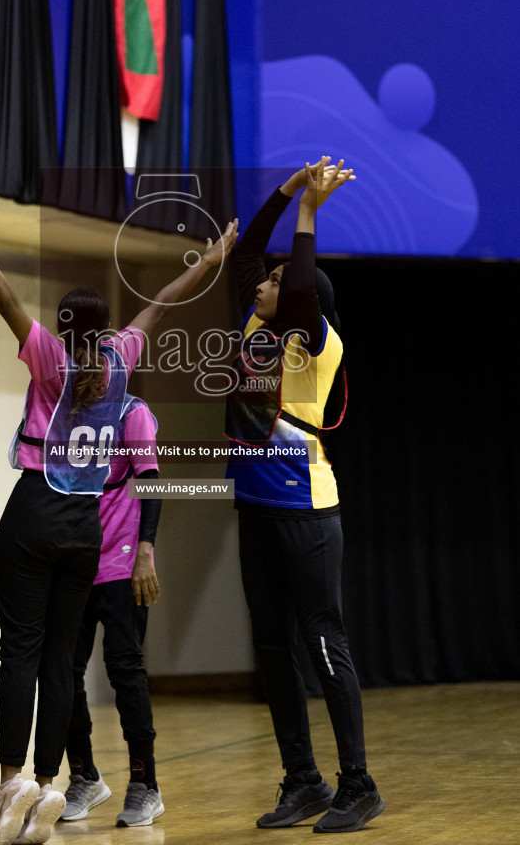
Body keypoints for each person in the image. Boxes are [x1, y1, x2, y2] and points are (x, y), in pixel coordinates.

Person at [0, 181, 237, 845]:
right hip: (86, 529)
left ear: (61, 326)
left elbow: (6, 300)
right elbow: (158, 306)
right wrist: (208, 262)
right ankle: (53, 782)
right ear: (102, 329)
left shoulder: (49, 359)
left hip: (38, 510)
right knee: (61, 666)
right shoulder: (119, 361)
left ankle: (18, 780)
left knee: (24, 652)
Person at [225, 159, 385, 833]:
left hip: (305, 512)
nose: (262, 283)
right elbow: (243, 255)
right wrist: (288, 190)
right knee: (271, 648)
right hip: (256, 511)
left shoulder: (309, 338)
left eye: (275, 279)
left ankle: (358, 784)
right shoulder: (253, 330)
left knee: (323, 644)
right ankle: (303, 779)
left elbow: (291, 278)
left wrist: (310, 215)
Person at [61, 392, 163, 827]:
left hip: (123, 562)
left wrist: (146, 554)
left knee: (124, 669)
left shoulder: (131, 412)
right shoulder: (66, 414)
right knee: (62, 672)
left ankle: (146, 784)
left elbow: (151, 482)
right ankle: (84, 776)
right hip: (76, 562)